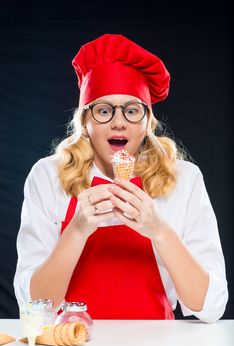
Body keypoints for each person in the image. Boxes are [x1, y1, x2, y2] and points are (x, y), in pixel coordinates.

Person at [14, 33, 228, 323]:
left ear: (147, 121)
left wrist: (159, 230)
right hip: (71, 341)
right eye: (103, 110)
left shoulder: (184, 179)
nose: (118, 122)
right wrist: (77, 230)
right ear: (85, 122)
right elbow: (34, 306)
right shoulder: (48, 175)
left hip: (158, 342)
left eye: (131, 110)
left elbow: (211, 308)